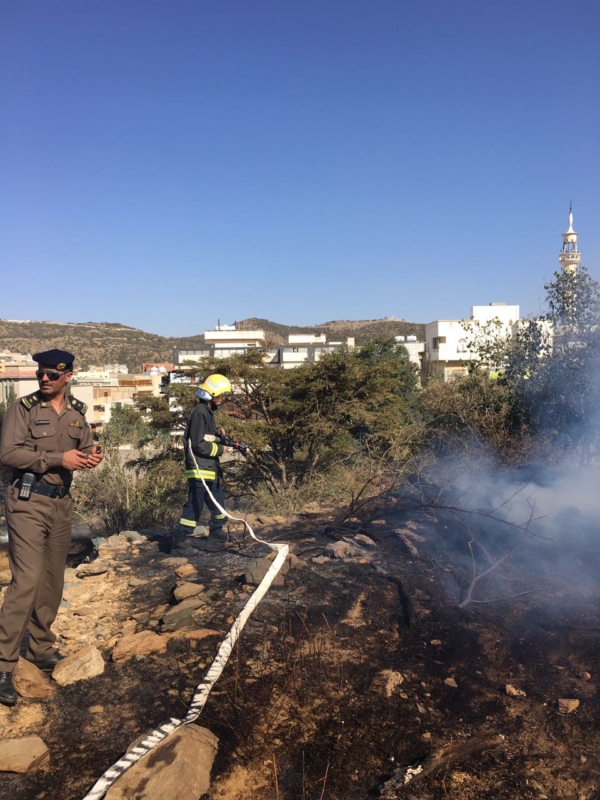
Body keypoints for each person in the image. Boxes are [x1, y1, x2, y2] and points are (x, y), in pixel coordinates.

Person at [0, 349, 104, 707]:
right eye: (41, 373)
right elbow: (8, 453)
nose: (45, 379)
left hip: (61, 503)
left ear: (68, 376)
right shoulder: (23, 409)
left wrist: (92, 455)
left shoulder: (77, 412)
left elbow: (85, 448)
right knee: (26, 581)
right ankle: (3, 665)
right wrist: (60, 459)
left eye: (53, 375)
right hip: (27, 502)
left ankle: (41, 648)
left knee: (52, 580)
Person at [175, 373, 233, 552]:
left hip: (210, 469)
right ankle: (180, 542)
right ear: (210, 394)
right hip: (200, 469)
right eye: (220, 395)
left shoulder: (207, 413)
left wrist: (218, 436)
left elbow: (206, 438)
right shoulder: (200, 412)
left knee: (218, 504)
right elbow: (199, 445)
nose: (222, 399)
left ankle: (216, 534)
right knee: (195, 505)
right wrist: (222, 450)